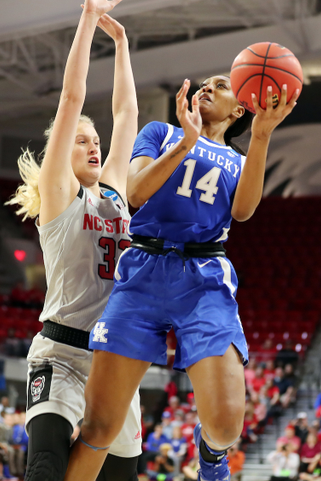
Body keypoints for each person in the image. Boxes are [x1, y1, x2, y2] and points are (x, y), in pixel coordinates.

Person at [64, 71, 299, 481]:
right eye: (205, 82)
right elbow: (135, 193)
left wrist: (261, 135)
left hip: (204, 276)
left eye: (221, 85)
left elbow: (242, 212)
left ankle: (210, 457)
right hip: (143, 269)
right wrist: (186, 142)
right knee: (99, 425)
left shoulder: (242, 159)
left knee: (227, 426)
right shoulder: (160, 132)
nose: (208, 86)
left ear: (239, 109)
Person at [6, 0, 141, 480]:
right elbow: (72, 98)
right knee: (46, 467)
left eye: (94, 140)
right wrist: (87, 19)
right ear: (62, 155)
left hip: (114, 362)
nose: (93, 144)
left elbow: (126, 113)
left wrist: (123, 44)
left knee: (121, 477)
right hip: (61, 354)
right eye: (82, 140)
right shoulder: (61, 199)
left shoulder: (113, 193)